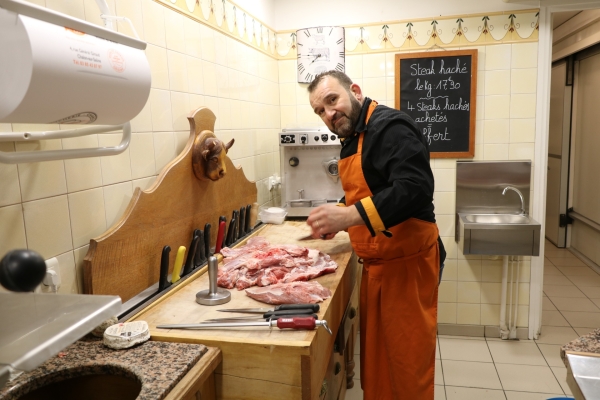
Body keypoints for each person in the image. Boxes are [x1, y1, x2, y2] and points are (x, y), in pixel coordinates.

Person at [306, 70, 446, 399]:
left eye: (332, 100)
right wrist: (339, 215)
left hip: (408, 267)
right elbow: (373, 187)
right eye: (320, 111)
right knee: (381, 364)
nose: (329, 114)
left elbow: (415, 188)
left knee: (406, 368)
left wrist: (349, 216)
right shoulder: (352, 136)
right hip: (380, 266)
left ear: (354, 91)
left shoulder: (390, 126)